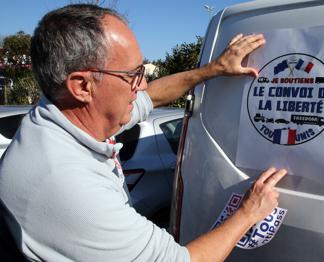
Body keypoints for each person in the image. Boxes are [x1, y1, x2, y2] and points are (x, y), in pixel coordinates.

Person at [0, 4, 287, 262]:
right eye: (133, 75)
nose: (143, 85)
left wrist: (212, 70)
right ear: (83, 86)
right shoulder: (67, 184)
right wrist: (249, 212)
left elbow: (153, 97)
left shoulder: (66, 116)